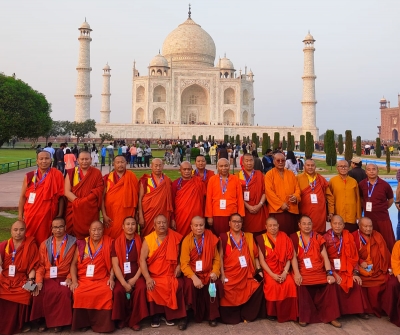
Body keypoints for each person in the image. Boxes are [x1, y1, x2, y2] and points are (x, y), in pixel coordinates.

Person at [290, 215, 342, 328]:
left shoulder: (318, 237)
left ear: (312, 225)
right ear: (299, 225)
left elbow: (325, 257)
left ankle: (331, 316)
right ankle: (305, 317)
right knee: (300, 284)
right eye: (304, 223)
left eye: (309, 223)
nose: (307, 226)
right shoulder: (294, 238)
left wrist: (329, 273)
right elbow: (293, 257)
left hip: (319, 271)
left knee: (330, 284)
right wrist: (297, 273)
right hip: (303, 271)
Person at [139, 215, 187, 329]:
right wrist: (147, 278)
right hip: (154, 274)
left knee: (177, 285)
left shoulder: (174, 237)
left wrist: (179, 266)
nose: (162, 225)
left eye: (164, 222)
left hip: (170, 273)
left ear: (168, 224)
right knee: (152, 286)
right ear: (154, 225)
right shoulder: (149, 239)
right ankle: (156, 315)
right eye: (159, 223)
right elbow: (142, 260)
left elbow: (182, 256)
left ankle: (170, 315)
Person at [30, 218, 77, 332]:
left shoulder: (73, 243)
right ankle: (44, 321)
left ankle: (59, 323)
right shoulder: (45, 244)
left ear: (65, 228)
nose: (58, 230)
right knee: (39, 291)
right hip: (47, 276)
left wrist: (70, 278)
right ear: (51, 229)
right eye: (55, 227)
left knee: (64, 292)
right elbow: (40, 265)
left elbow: (74, 264)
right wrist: (39, 280)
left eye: (61, 227)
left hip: (64, 275)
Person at [218, 213, 265, 324]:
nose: (237, 224)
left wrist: (258, 270)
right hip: (230, 273)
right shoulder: (224, 237)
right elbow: (219, 257)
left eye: (239, 221)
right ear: (229, 223)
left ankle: (247, 314)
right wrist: (222, 274)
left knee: (257, 284)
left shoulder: (248, 237)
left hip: (247, 273)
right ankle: (232, 316)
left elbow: (256, 256)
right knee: (227, 288)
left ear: (242, 223)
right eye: (234, 221)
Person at [69, 221, 115, 332]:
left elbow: (114, 264)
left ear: (103, 230)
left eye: (99, 229)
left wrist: (111, 278)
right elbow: (73, 265)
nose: (96, 232)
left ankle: (102, 325)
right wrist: (74, 281)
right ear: (89, 231)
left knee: (106, 292)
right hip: (84, 279)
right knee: (78, 292)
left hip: (102, 278)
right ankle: (84, 323)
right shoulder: (82, 244)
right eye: (93, 230)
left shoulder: (109, 242)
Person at [180, 216, 222, 327]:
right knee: (188, 285)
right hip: (193, 273)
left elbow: (216, 259)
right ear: (191, 227)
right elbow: (184, 264)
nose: (199, 228)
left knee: (215, 283)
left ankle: (212, 316)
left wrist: (215, 272)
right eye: (196, 225)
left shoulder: (210, 237)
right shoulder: (187, 241)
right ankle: (186, 315)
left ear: (204, 226)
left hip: (208, 272)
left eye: (201, 225)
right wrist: (194, 278)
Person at [323, 215, 368, 318]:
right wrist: (333, 273)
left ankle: (358, 310)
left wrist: (355, 273)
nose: (337, 226)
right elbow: (324, 259)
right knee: (334, 285)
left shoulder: (348, 236)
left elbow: (354, 256)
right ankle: (335, 314)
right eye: (335, 223)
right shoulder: (325, 238)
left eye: (340, 224)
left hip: (347, 269)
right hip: (332, 269)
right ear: (330, 224)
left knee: (356, 282)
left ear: (343, 225)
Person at [0, 221, 39, 335]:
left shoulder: (30, 244)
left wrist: (31, 281)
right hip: (5, 277)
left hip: (22, 277)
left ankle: (20, 324)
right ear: (11, 231)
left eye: (21, 230)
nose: (18, 232)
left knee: (26, 292)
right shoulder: (4, 245)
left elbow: (33, 266)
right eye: (15, 230)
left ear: (25, 231)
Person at [256, 217, 298, 322]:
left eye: (275, 225)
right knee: (272, 286)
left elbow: (289, 257)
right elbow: (262, 261)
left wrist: (285, 272)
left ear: (278, 226)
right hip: (269, 270)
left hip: (284, 269)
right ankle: (272, 313)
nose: (273, 228)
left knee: (290, 284)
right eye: (270, 226)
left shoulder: (285, 237)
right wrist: (272, 275)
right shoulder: (262, 239)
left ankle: (289, 312)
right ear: (266, 227)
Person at [18, 151, 64, 244]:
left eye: (47, 158)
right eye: (41, 159)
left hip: (48, 216)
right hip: (30, 215)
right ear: (37, 161)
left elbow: (61, 197)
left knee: (45, 241)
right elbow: (23, 197)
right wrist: (20, 215)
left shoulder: (57, 174)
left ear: (51, 160)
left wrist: (60, 214)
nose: (44, 161)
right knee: (29, 240)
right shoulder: (29, 176)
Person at [111, 216, 148, 331]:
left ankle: (135, 320)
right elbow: (115, 265)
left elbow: (143, 261)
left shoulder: (141, 240)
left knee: (141, 288)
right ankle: (122, 319)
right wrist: (123, 282)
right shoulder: (116, 242)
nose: (130, 226)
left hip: (138, 273)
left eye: (133, 224)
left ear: (136, 226)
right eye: (128, 224)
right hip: (121, 275)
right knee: (118, 291)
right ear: (123, 227)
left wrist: (134, 279)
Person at [352, 217, 393, 318]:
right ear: (359, 226)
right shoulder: (353, 236)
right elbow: (350, 255)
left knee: (387, 280)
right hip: (362, 271)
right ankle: (365, 310)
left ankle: (382, 309)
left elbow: (385, 253)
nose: (368, 228)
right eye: (365, 226)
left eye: (370, 226)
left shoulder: (377, 235)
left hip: (378, 270)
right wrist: (360, 261)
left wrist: (389, 267)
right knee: (358, 283)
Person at [65, 151, 104, 239]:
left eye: (87, 159)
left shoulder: (96, 173)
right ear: (78, 160)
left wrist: (85, 201)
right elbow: (67, 191)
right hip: (74, 208)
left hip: (89, 208)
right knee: (72, 236)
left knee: (91, 232)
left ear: (91, 160)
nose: (84, 161)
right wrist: (78, 202)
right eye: (82, 159)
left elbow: (99, 189)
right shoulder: (71, 172)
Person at [359, 163, 395, 251]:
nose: (371, 171)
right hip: (369, 219)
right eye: (369, 169)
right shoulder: (362, 184)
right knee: (371, 241)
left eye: (374, 169)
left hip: (383, 218)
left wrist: (382, 208)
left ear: (377, 171)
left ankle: (389, 260)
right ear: (366, 172)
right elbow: (361, 198)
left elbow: (390, 199)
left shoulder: (385, 185)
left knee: (387, 241)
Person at [102, 155, 139, 239]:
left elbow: (137, 196)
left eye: (122, 162)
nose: (120, 164)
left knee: (128, 235)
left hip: (128, 213)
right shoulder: (107, 178)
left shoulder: (131, 177)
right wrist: (104, 215)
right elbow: (102, 198)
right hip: (111, 214)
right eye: (117, 162)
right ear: (113, 164)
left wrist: (137, 213)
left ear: (126, 163)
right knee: (111, 236)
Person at [205, 158, 245, 236]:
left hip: (232, 213)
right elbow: (209, 198)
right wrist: (209, 216)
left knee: (231, 237)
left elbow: (240, 197)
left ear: (229, 166)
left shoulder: (235, 179)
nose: (224, 168)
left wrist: (240, 215)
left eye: (226, 166)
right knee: (218, 237)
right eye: (221, 166)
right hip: (217, 213)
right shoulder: (212, 179)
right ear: (217, 167)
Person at [264, 152, 301, 236]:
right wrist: (281, 204)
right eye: (278, 160)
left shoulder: (291, 174)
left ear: (285, 162)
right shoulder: (269, 174)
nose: (280, 162)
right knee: (278, 235)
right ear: (274, 162)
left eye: (283, 160)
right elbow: (269, 192)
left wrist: (295, 197)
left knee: (292, 234)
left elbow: (297, 189)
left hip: (291, 209)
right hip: (277, 211)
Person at [297, 159, 334, 234]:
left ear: (315, 167)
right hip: (304, 211)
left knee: (319, 234)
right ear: (304, 166)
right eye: (308, 165)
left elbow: (329, 196)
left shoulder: (321, 179)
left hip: (319, 213)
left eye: (312, 165)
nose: (310, 167)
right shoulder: (298, 178)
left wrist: (331, 211)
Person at [138, 158, 173, 237]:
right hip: (148, 215)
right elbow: (140, 199)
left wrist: (172, 218)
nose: (158, 168)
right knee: (147, 236)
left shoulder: (167, 181)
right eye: (156, 166)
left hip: (164, 214)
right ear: (151, 166)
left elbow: (170, 201)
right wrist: (140, 216)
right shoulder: (145, 180)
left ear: (163, 166)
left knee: (163, 235)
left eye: (160, 166)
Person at [171, 162, 206, 237]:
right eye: (184, 169)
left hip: (197, 216)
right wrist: (172, 218)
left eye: (189, 169)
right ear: (180, 170)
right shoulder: (175, 184)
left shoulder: (199, 182)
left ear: (192, 170)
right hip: (181, 218)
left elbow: (204, 199)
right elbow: (172, 203)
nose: (187, 171)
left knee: (197, 237)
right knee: (181, 237)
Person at [238, 153, 268, 234]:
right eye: (246, 161)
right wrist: (248, 206)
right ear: (242, 162)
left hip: (259, 209)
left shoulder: (260, 175)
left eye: (251, 160)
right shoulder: (238, 176)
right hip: (245, 210)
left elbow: (265, 192)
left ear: (254, 162)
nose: (249, 163)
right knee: (247, 235)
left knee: (260, 234)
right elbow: (237, 195)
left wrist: (259, 205)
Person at [328, 160, 361, 233]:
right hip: (338, 214)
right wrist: (331, 212)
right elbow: (329, 198)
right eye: (341, 166)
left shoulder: (353, 182)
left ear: (349, 168)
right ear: (337, 168)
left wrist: (358, 216)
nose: (343, 168)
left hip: (351, 215)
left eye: (345, 166)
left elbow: (357, 199)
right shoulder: (332, 181)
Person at [384, 240, 400, 327]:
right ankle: (392, 313)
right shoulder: (398, 244)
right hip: (399, 272)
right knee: (392, 284)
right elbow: (395, 260)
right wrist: (398, 275)